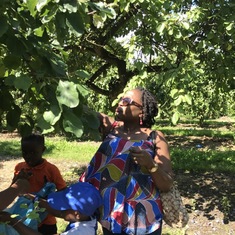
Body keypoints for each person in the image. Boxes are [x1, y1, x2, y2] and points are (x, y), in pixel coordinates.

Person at [80, 87, 174, 235]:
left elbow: (167, 184)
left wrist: (150, 164)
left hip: (144, 217)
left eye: (126, 101)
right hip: (111, 210)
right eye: (120, 100)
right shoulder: (111, 129)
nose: (120, 104)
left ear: (142, 111)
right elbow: (81, 109)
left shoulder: (155, 138)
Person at [12, 133, 67, 235]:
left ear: (43, 150)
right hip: (23, 217)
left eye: (33, 152)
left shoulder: (51, 170)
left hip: (46, 220)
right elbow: (12, 190)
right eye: (25, 152)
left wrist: (47, 196)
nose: (28, 156)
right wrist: (18, 179)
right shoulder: (19, 168)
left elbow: (63, 191)